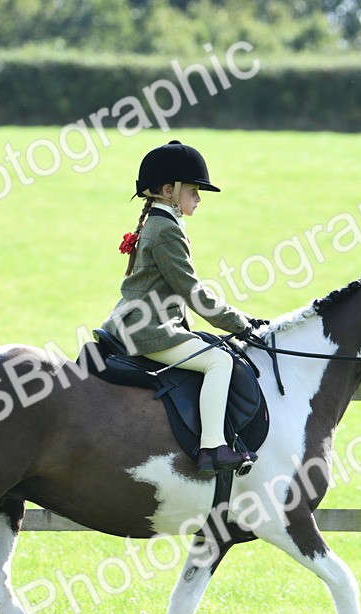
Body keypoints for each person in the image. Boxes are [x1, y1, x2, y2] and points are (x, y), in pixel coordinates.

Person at [101, 140, 265, 474]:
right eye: (193, 191)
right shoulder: (164, 231)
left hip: (142, 323)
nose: (198, 199)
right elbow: (194, 293)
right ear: (168, 191)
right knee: (219, 361)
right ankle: (212, 447)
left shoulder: (160, 224)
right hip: (147, 331)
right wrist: (241, 324)